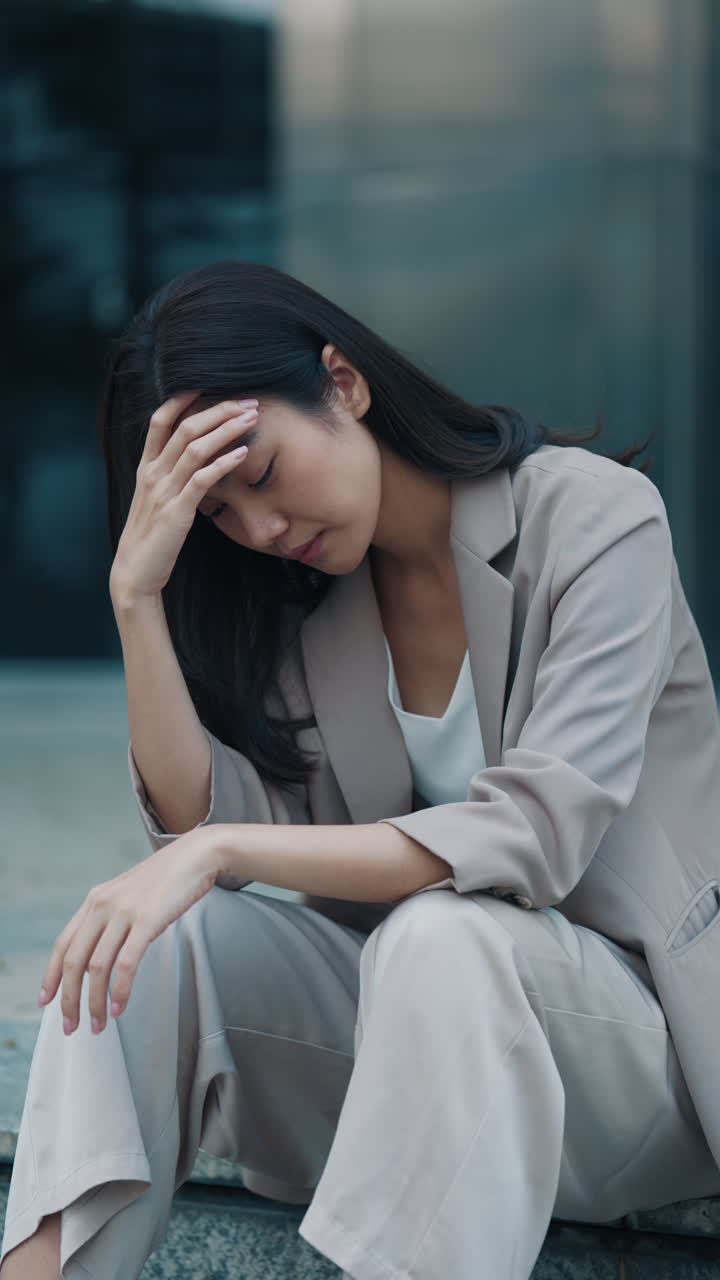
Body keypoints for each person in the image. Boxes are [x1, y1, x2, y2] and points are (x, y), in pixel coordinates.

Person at [2, 260, 720, 1280]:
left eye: (258, 475)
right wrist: (137, 599)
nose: (258, 531)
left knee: (443, 932)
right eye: (219, 516)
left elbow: (533, 835)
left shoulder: (595, 519)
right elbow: (201, 826)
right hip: (424, 1072)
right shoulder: (315, 614)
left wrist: (217, 849)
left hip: (642, 1061)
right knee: (147, 943)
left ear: (342, 383)